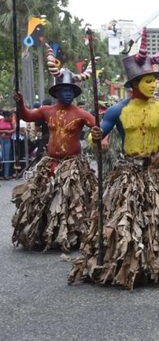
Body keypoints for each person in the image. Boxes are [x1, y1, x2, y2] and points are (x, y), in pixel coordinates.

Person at [69, 28, 159, 289]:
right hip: (128, 173)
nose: (154, 84)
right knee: (123, 219)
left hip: (155, 171)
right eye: (148, 80)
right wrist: (95, 136)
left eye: (155, 79)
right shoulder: (117, 110)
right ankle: (124, 263)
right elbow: (95, 138)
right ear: (133, 85)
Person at [12, 43, 97, 252]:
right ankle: (43, 232)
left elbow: (97, 127)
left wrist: (99, 137)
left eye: (70, 90)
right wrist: (20, 104)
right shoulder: (46, 110)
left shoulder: (81, 114)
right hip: (50, 163)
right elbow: (26, 116)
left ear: (74, 93)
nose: (67, 93)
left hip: (73, 166)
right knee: (43, 198)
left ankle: (75, 234)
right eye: (63, 90)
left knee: (73, 201)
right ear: (57, 91)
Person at [0, 111, 15, 180]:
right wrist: (4, 131)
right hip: (1, 140)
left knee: (7, 157)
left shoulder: (11, 122)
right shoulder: (1, 121)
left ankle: (6, 174)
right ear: (6, 117)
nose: (11, 117)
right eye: (10, 116)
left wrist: (8, 132)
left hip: (8, 140)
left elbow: (14, 129)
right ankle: (1, 174)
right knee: (1, 156)